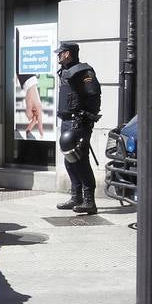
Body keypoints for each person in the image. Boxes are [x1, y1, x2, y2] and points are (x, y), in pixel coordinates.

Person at [55, 42, 102, 215]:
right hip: (67, 121)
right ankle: (76, 197)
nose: (58, 56)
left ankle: (89, 201)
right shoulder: (66, 71)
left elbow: (94, 95)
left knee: (81, 160)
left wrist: (87, 117)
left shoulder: (83, 71)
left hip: (78, 122)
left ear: (67, 54)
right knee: (69, 161)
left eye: (60, 53)